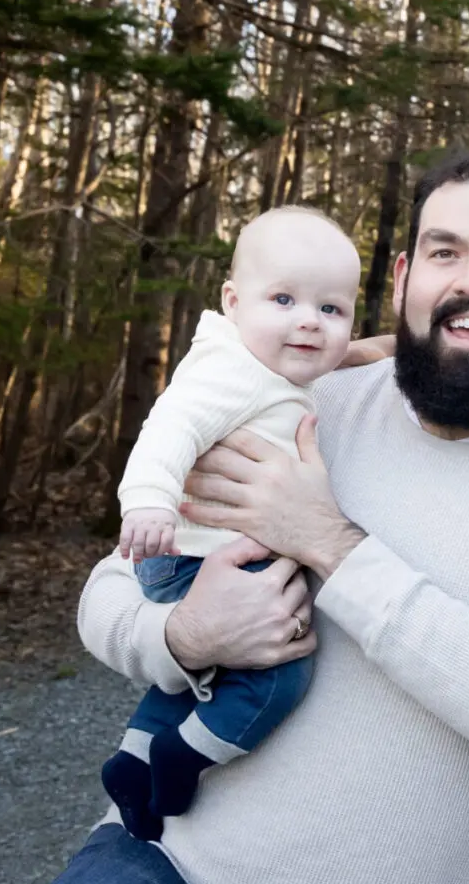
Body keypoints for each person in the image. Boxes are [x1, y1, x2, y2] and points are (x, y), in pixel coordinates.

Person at [28, 150, 469, 884]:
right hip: (162, 874)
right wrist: (183, 637)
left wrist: (330, 541)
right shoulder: (303, 401)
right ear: (402, 282)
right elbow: (113, 587)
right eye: (445, 253)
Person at [101, 207, 360, 841]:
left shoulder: (261, 366)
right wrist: (148, 501)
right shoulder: (231, 371)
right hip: (197, 558)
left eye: (331, 309)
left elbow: (343, 355)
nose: (309, 320)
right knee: (277, 677)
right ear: (233, 301)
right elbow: (172, 425)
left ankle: (134, 760)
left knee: (212, 671)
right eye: (284, 299)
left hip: (205, 553)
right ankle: (182, 758)